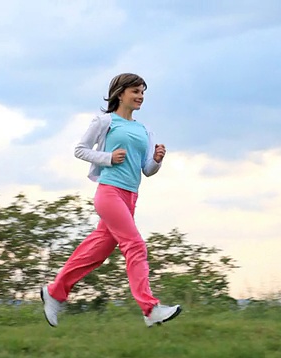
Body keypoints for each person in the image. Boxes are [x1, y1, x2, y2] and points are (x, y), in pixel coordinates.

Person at [40, 73, 181, 328]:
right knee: (135, 245)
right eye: (135, 92)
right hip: (109, 192)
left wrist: (158, 159)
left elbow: (146, 169)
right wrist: (108, 157)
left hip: (130, 197)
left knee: (95, 253)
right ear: (120, 93)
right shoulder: (105, 121)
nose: (140, 97)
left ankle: (54, 291)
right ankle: (150, 309)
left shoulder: (144, 130)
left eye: (142, 93)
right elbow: (80, 149)